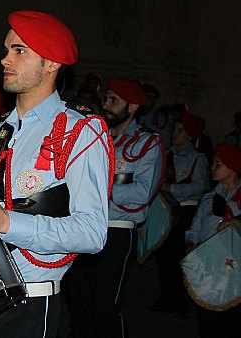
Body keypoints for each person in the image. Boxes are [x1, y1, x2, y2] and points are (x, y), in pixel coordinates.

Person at [0, 11, 112, 337]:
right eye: (6, 50)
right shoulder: (1, 130)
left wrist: (7, 223)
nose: (5, 60)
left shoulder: (79, 131)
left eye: (19, 51)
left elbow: (92, 233)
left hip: (29, 304)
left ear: (52, 64)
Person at [65, 78, 164, 338]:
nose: (105, 105)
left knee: (105, 306)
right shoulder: (95, 136)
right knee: (79, 303)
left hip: (116, 232)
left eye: (113, 101)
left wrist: (98, 189)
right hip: (84, 227)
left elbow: (142, 192)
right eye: (106, 99)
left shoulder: (146, 144)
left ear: (132, 107)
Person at [149, 111, 209, 318]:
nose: (175, 133)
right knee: (163, 256)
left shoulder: (197, 159)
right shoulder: (167, 153)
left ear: (191, 135)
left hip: (185, 211)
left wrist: (171, 188)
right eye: (175, 129)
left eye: (181, 130)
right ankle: (165, 297)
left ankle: (180, 300)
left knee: (179, 258)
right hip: (165, 210)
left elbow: (200, 186)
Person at [185, 143, 241, 338]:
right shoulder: (209, 198)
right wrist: (191, 242)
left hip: (234, 270)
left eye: (219, 163)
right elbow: (196, 225)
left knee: (233, 319)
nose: (212, 167)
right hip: (208, 265)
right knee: (207, 318)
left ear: (233, 168)